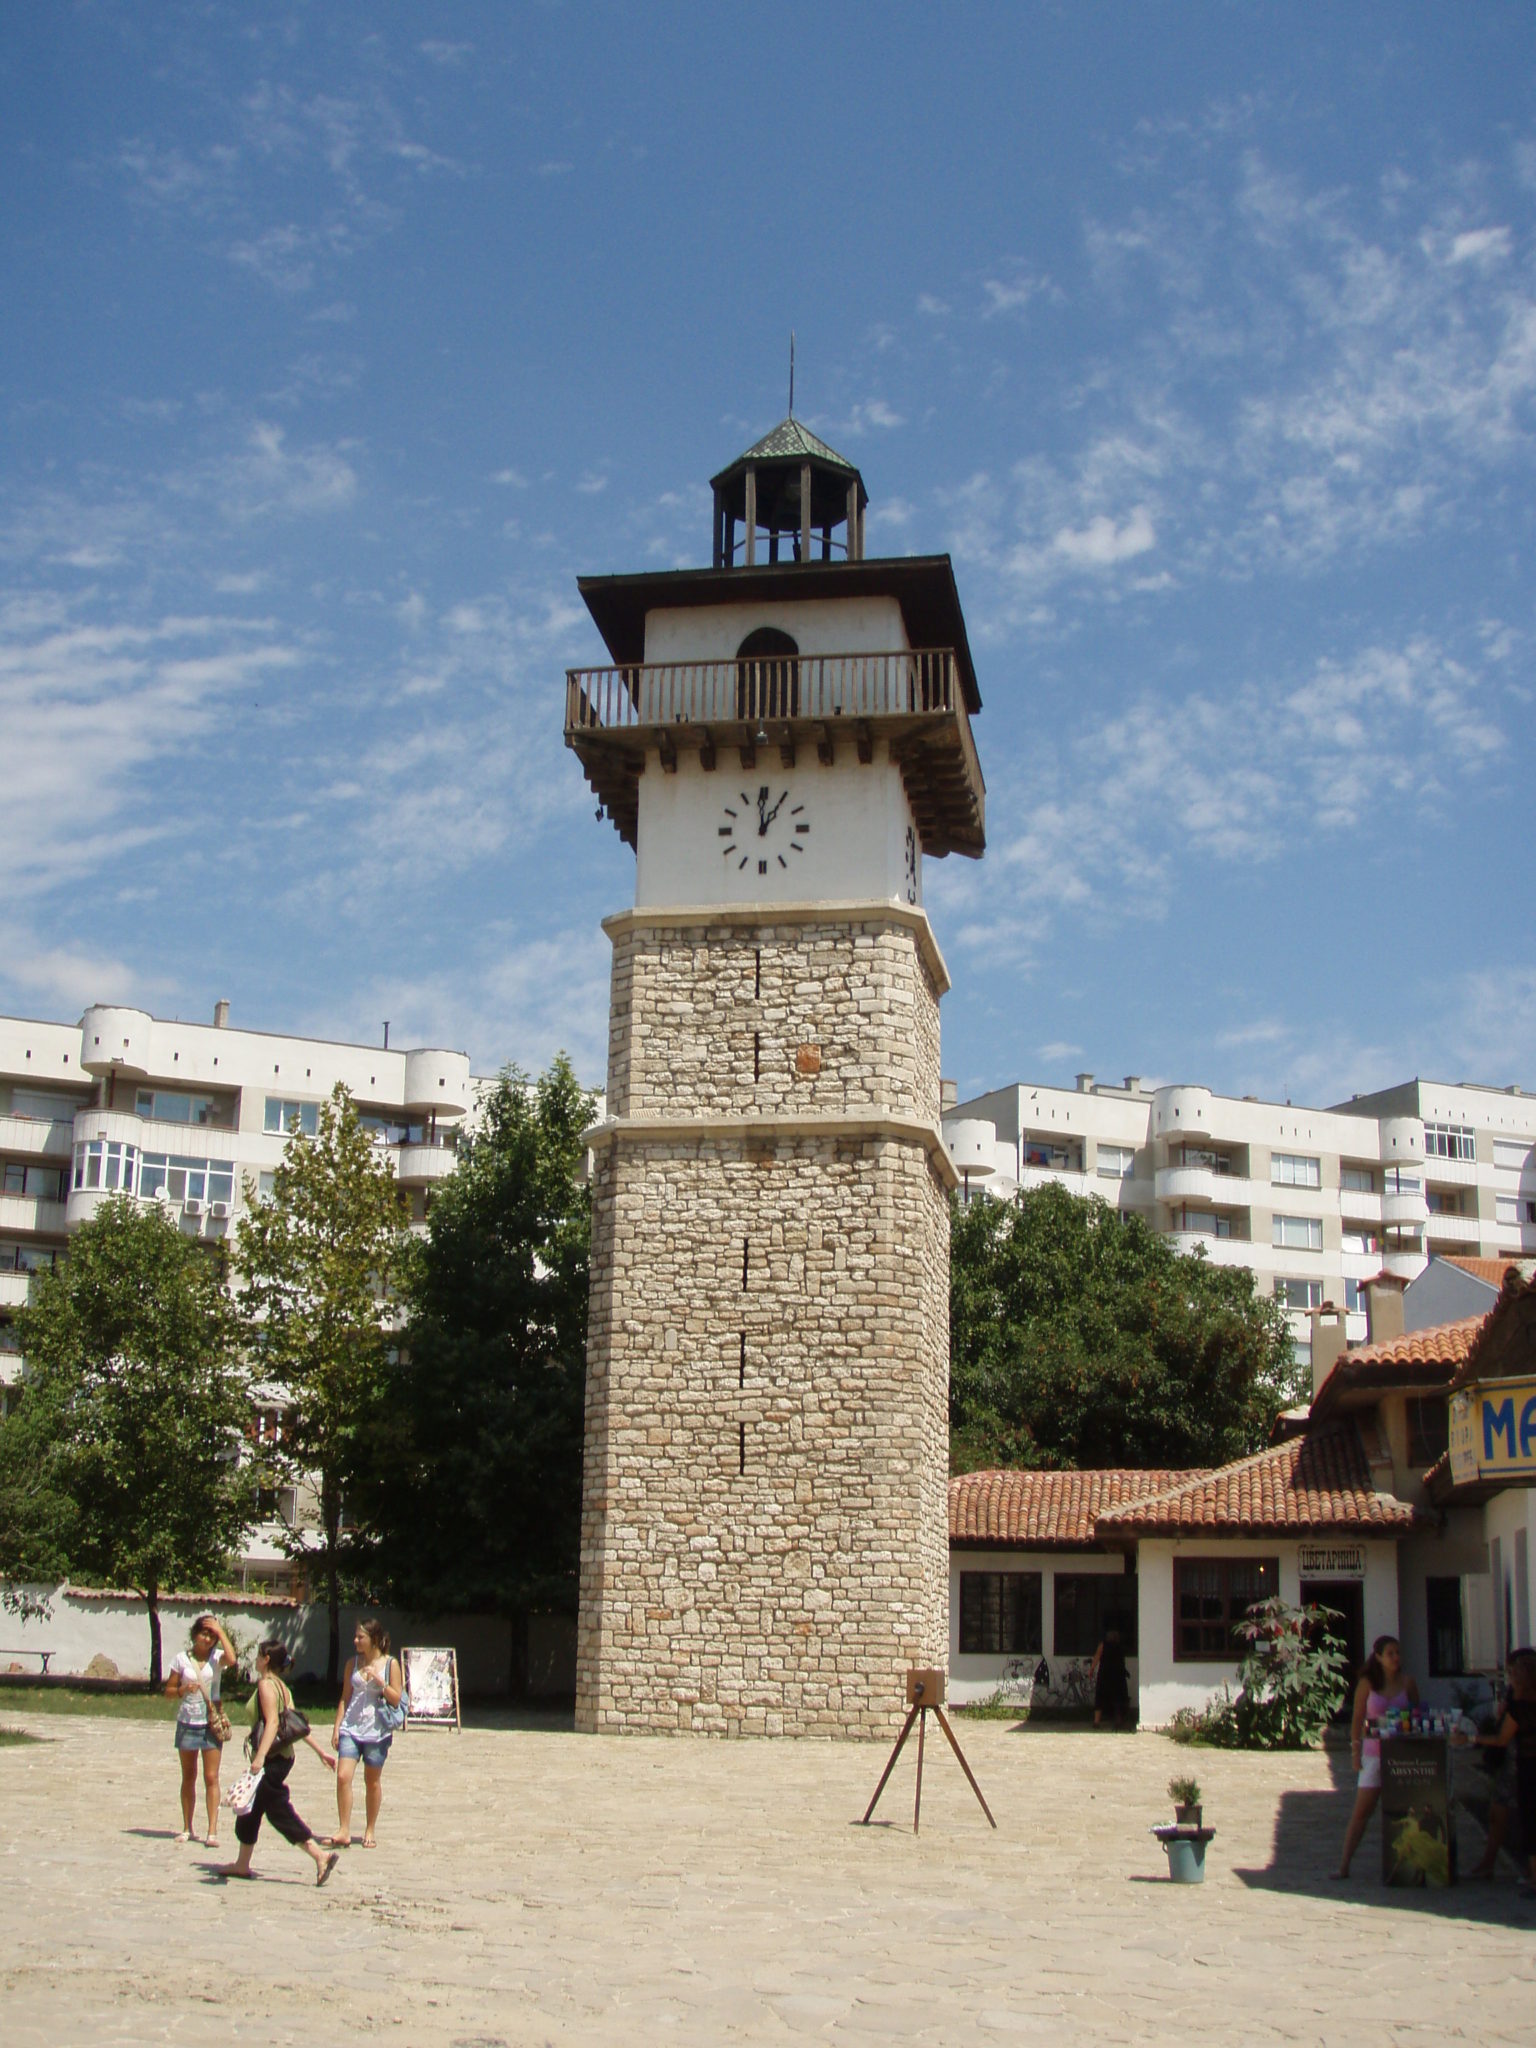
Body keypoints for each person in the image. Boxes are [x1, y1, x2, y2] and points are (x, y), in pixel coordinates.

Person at [218, 1639, 339, 1886]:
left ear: (266, 1659)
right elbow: (296, 1725)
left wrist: (260, 1757)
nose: (255, 1659)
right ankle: (242, 1864)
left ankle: (320, 1856)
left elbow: (273, 1723)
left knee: (277, 1810)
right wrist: (320, 1752)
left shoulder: (266, 1685)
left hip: (272, 1759)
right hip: (283, 1757)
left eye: (258, 1655)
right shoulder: (283, 1687)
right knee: (250, 1809)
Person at [1332, 1633, 1419, 1879]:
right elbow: (1357, 1719)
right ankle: (1344, 1865)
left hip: (1401, 1755)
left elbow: (1417, 1715)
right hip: (1374, 1754)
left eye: (1398, 1653)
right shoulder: (1367, 1683)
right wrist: (1355, 1752)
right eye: (1390, 1653)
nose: (1395, 1657)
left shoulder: (1408, 1683)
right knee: (1362, 1811)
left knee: (1405, 1812)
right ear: (1379, 1657)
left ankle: (1408, 1866)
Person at [1457, 1647, 1536, 1895]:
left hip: (1522, 1764)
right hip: (1522, 1763)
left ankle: (1530, 1875)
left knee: (1525, 1819)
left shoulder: (1519, 1705)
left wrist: (1471, 1738)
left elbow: (1502, 1738)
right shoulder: (1519, 1700)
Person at [328, 1618, 405, 1849]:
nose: (356, 1641)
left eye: (360, 1637)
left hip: (376, 1731)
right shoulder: (352, 1663)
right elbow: (345, 1697)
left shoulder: (390, 1664)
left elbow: (396, 1698)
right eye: (356, 1636)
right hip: (351, 1728)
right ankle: (343, 1829)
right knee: (343, 1776)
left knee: (371, 1781)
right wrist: (337, 1727)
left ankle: (370, 1828)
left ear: (374, 1639)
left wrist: (381, 1682)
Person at [164, 1613, 238, 1847]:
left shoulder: (217, 1658)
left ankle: (212, 1830)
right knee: (188, 1775)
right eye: (204, 1634)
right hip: (187, 1721)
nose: (207, 1639)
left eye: (211, 1636)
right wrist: (183, 1689)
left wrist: (220, 1631)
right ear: (195, 1634)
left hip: (210, 1723)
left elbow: (232, 1660)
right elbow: (168, 1691)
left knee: (211, 1777)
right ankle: (187, 1827)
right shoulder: (181, 1659)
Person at [1090, 1626, 1130, 1728]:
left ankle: (1096, 1721)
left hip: (1105, 1674)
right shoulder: (1120, 1646)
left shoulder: (1103, 1645)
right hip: (1118, 1675)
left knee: (1100, 1698)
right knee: (1118, 1698)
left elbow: (1097, 1657)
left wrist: (1092, 1669)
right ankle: (1118, 1720)